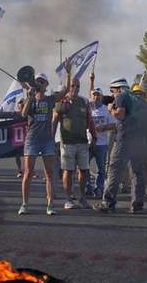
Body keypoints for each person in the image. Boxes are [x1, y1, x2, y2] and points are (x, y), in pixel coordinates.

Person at [92, 78, 147, 214]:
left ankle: (108, 203)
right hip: (139, 141)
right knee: (137, 173)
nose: (113, 95)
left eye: (112, 91)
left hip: (124, 140)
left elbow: (120, 115)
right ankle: (137, 204)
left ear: (118, 88)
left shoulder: (122, 96)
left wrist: (110, 110)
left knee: (114, 170)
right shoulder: (141, 102)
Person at [18, 73, 67, 216]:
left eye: (42, 81)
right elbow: (23, 114)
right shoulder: (31, 99)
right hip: (32, 140)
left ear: (46, 85)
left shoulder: (50, 99)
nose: (39, 83)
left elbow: (65, 91)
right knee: (28, 173)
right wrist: (29, 97)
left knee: (50, 174)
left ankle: (50, 205)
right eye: (37, 81)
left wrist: (68, 73)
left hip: (47, 141)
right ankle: (24, 204)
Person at [53, 78, 96, 210]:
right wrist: (50, 139)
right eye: (72, 86)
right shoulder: (62, 101)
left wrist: (94, 136)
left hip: (82, 142)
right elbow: (54, 120)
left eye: (77, 86)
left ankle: (82, 198)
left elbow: (90, 120)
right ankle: (68, 199)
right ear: (68, 87)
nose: (75, 88)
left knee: (84, 171)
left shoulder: (84, 101)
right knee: (68, 171)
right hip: (67, 143)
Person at [88, 88, 116, 198]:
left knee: (101, 169)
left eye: (98, 95)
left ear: (101, 97)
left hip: (102, 144)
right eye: (94, 95)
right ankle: (87, 187)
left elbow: (114, 125)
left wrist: (103, 127)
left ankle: (98, 188)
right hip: (88, 142)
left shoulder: (106, 110)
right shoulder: (87, 108)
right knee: (84, 167)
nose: (96, 97)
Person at [132, 83, 147, 198]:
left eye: (139, 93)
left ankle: (146, 188)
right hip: (137, 140)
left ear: (143, 95)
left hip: (145, 140)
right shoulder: (131, 107)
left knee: (145, 166)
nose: (138, 96)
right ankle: (140, 189)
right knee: (137, 167)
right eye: (136, 94)